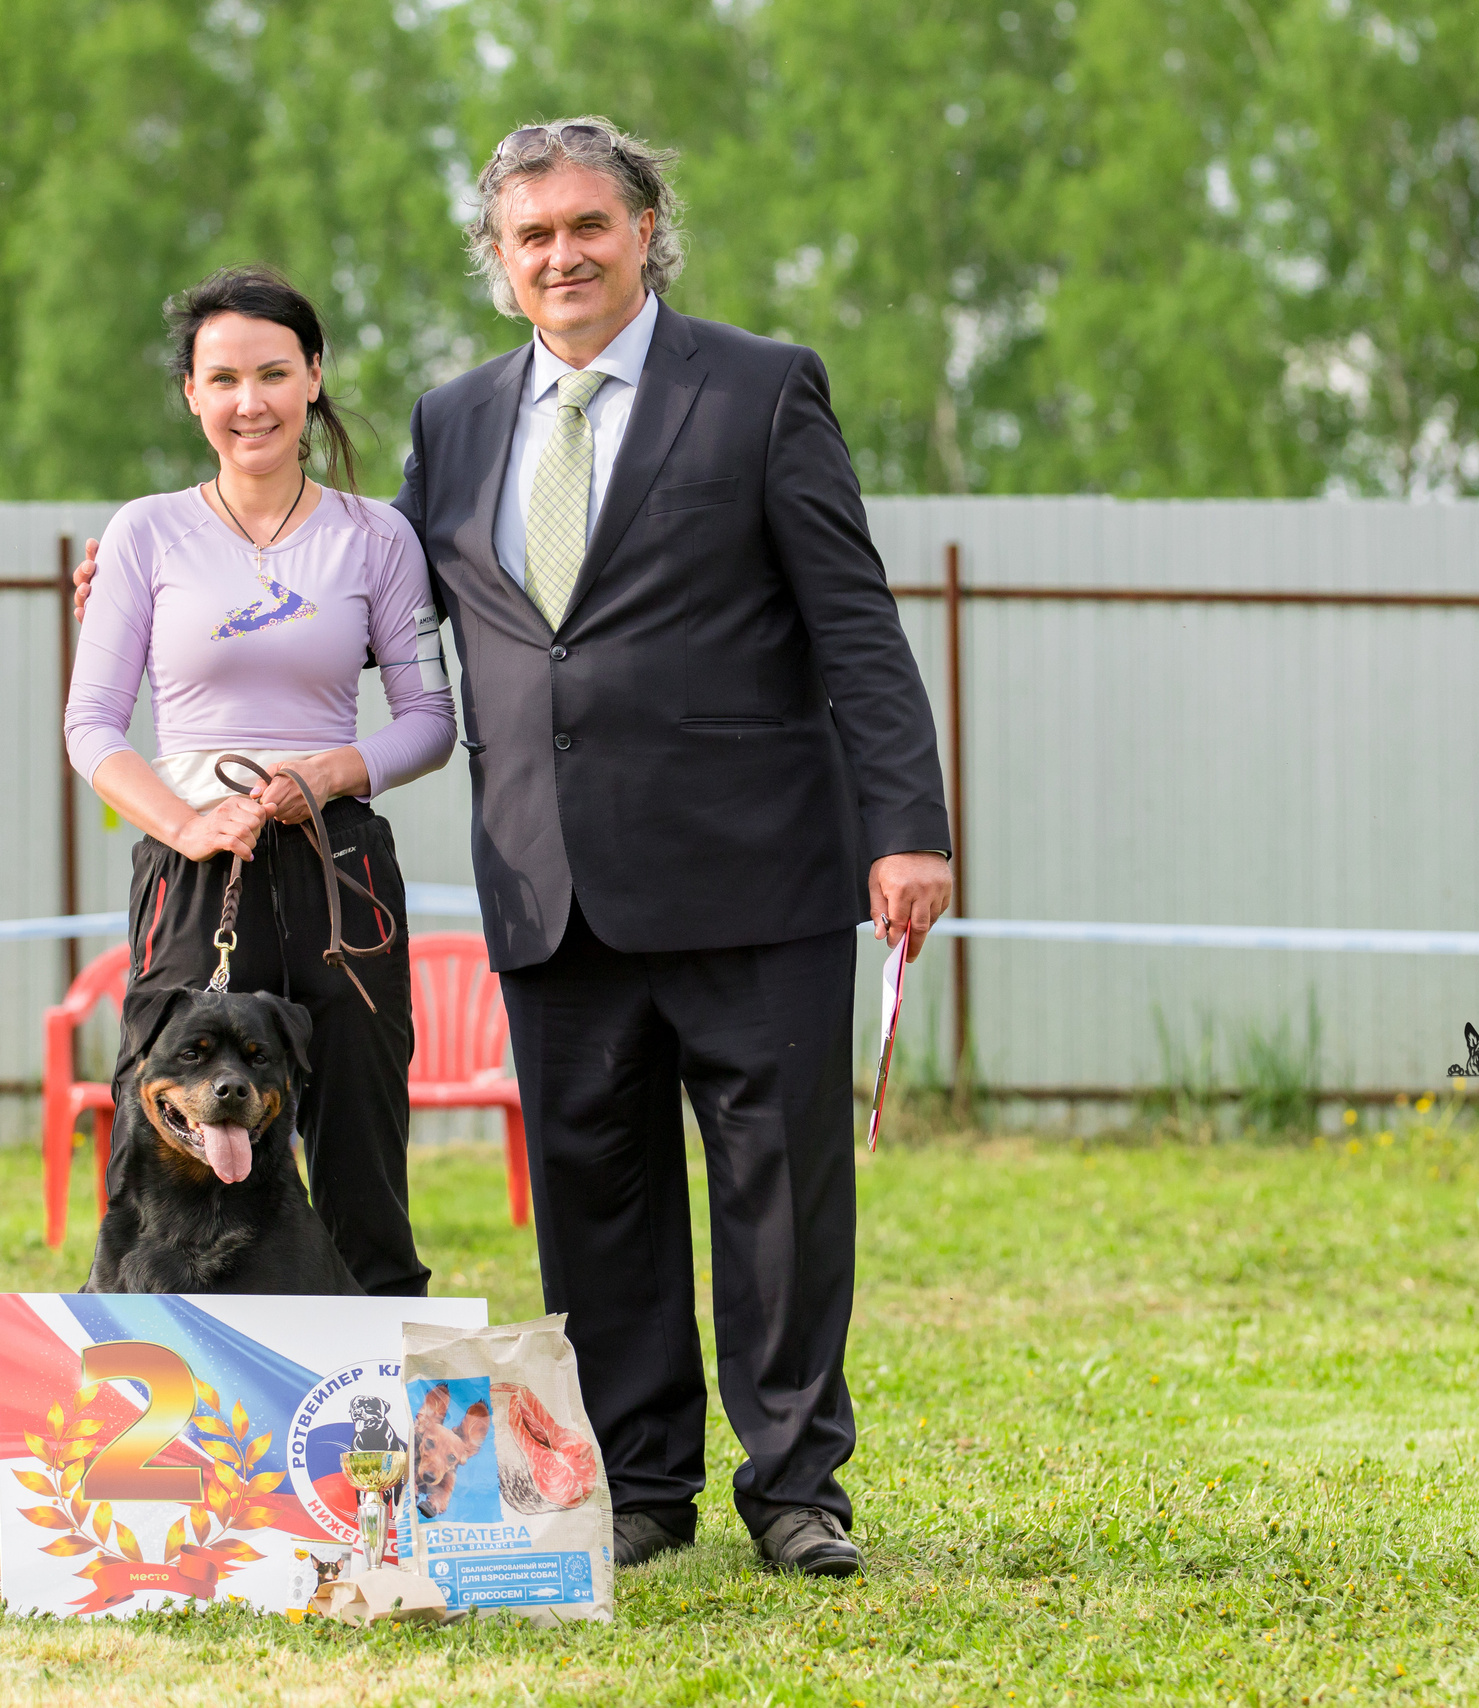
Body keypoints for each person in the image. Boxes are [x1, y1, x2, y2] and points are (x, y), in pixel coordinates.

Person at [83, 122, 954, 1574]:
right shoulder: (460, 419)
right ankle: (645, 1487)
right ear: (499, 262)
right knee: (595, 1208)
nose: (561, 253)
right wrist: (157, 557)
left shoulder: (759, 389)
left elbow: (854, 624)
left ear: (646, 229)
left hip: (751, 871)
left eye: (587, 225)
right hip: (554, 889)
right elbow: (349, 572)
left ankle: (796, 1488)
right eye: (530, 234)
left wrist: (907, 828)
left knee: (779, 1201)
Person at [64, 266, 453, 1297]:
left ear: (313, 377)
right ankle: (136, 1404)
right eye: (223, 377)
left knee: (362, 1144)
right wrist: (187, 827)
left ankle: (379, 1415)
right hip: (195, 873)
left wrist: (330, 770)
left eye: (275, 373)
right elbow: (89, 727)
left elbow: (429, 720)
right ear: (190, 391)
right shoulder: (144, 533)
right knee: (159, 1150)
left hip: (342, 875)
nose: (251, 402)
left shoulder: (380, 538)